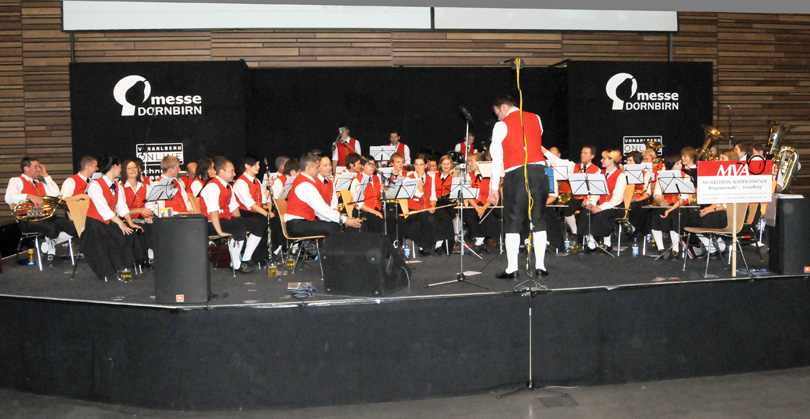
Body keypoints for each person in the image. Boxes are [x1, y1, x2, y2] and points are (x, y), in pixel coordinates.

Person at [487, 95, 550, 278]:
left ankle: (512, 269)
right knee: (539, 219)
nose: (498, 117)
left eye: (497, 113)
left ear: (503, 107)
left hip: (516, 174)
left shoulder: (501, 125)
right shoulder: (536, 118)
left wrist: (493, 188)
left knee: (513, 221)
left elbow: (497, 159)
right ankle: (540, 267)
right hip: (539, 173)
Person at [83, 155, 147, 281]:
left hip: (108, 223)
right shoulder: (95, 185)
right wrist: (121, 224)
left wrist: (130, 223)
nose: (121, 170)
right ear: (114, 166)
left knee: (130, 234)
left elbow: (122, 207)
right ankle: (118, 268)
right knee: (118, 237)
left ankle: (125, 267)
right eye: (120, 166)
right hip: (95, 225)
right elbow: (104, 210)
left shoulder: (118, 186)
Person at [5, 156, 77, 266]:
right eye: (36, 167)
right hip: (27, 220)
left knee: (73, 227)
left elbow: (56, 193)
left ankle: (48, 245)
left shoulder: (40, 184)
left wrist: (46, 176)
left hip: (45, 217)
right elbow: (8, 197)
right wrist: (28, 196)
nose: (38, 169)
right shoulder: (16, 180)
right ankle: (50, 249)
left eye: (39, 167)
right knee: (51, 229)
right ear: (26, 168)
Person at [200, 156, 259, 274]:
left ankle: (246, 258)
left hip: (224, 219)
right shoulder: (212, 186)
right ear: (222, 172)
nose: (234, 174)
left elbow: (233, 207)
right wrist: (220, 232)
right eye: (232, 171)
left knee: (258, 225)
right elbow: (213, 211)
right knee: (238, 226)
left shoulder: (228, 186)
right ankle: (236, 264)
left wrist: (241, 221)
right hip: (210, 222)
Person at [284, 153, 362, 237]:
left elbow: (321, 210)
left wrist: (339, 219)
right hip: (297, 224)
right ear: (308, 168)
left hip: (303, 222)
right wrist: (344, 220)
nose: (319, 170)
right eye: (317, 167)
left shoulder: (306, 181)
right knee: (333, 228)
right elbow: (322, 208)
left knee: (336, 225)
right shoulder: (305, 185)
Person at [575, 149, 627, 253]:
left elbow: (617, 198)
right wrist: (591, 203)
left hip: (616, 206)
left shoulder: (620, 175)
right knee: (585, 213)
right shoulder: (600, 173)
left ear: (612, 160)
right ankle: (591, 243)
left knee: (602, 214)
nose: (601, 160)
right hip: (601, 205)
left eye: (604, 158)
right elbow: (595, 193)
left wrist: (601, 207)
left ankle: (607, 244)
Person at [405, 154, 454, 256]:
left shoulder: (430, 178)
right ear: (414, 165)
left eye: (421, 165)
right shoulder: (408, 178)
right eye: (416, 165)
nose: (419, 167)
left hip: (427, 208)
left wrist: (433, 206)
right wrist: (419, 177)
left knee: (445, 217)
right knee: (427, 218)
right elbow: (419, 193)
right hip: (415, 210)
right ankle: (424, 247)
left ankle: (439, 245)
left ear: (426, 165)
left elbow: (433, 197)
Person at [234, 154, 275, 265]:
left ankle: (266, 253)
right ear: (247, 165)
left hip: (255, 211)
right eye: (255, 164)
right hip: (244, 213)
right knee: (261, 223)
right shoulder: (241, 182)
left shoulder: (256, 181)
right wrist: (266, 213)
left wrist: (268, 187)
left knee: (275, 221)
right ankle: (248, 257)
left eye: (259, 164)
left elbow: (262, 199)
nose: (258, 167)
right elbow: (250, 203)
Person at [648, 155, 690, 260]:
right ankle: (661, 249)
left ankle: (675, 250)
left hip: (681, 206)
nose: (680, 166)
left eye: (680, 163)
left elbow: (683, 199)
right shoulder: (661, 177)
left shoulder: (685, 176)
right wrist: (659, 201)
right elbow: (656, 195)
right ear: (671, 165)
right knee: (654, 216)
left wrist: (670, 210)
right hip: (666, 204)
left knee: (674, 216)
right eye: (677, 164)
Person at [559, 145, 600, 237]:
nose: (582, 155)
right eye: (582, 153)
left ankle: (584, 235)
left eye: (585, 153)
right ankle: (575, 231)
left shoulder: (597, 171)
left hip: (588, 199)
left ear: (592, 156)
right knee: (566, 209)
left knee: (584, 214)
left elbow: (596, 190)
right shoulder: (574, 166)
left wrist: (589, 200)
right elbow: (558, 161)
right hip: (577, 198)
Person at [463, 153, 500, 253]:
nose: (469, 163)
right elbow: (468, 195)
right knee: (470, 216)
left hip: (487, 204)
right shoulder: (469, 175)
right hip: (474, 204)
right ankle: (479, 242)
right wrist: (477, 207)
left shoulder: (491, 176)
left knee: (488, 216)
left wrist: (483, 208)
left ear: (479, 163)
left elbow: (492, 194)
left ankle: (479, 242)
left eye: (472, 161)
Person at [350, 156, 384, 233]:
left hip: (378, 207)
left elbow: (379, 196)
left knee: (393, 218)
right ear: (362, 166)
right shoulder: (357, 180)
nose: (372, 166)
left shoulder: (377, 178)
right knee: (376, 220)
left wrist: (383, 190)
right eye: (369, 164)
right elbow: (359, 203)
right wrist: (374, 212)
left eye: (373, 164)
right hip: (364, 210)